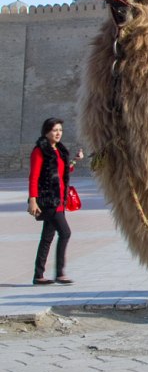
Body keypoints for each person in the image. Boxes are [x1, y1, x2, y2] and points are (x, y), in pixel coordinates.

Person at [27, 118, 83, 285]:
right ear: (46, 132)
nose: (58, 133)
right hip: (49, 200)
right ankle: (60, 273)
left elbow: (63, 171)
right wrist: (32, 201)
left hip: (59, 200)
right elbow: (34, 177)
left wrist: (75, 160)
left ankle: (38, 275)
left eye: (60, 130)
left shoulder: (58, 150)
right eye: (54, 130)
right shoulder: (40, 151)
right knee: (65, 233)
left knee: (47, 237)